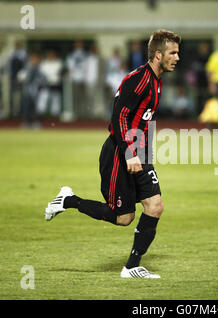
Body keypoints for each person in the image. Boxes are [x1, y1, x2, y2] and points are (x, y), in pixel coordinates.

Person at [44, 29, 181, 279]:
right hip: (120, 152)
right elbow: (118, 116)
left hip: (139, 152)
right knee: (123, 217)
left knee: (155, 205)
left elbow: (141, 119)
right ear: (158, 54)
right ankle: (68, 200)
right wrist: (130, 152)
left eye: (178, 53)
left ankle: (131, 267)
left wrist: (144, 151)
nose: (177, 57)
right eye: (173, 52)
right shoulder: (139, 80)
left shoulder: (157, 81)